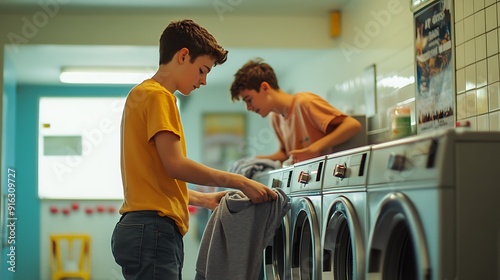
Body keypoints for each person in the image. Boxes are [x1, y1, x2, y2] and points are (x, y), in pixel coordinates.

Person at [111, 20, 278, 280]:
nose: (203, 80)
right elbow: (175, 165)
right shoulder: (160, 97)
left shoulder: (140, 94)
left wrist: (204, 200)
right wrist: (239, 181)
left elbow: (154, 180)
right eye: (202, 70)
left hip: (137, 227)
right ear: (183, 55)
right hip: (154, 230)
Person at [230, 58, 362, 165]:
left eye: (249, 100)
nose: (249, 108)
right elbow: (286, 153)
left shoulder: (305, 103)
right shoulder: (275, 117)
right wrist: (257, 160)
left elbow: (352, 125)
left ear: (265, 87)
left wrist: (314, 149)